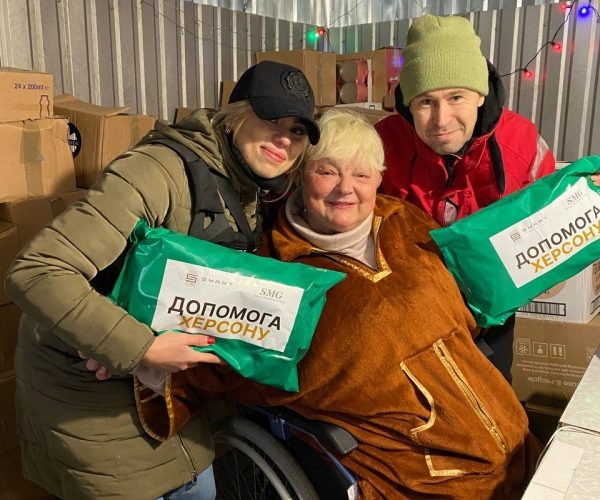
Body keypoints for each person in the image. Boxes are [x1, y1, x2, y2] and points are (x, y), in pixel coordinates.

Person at [136, 109, 541, 500]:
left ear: (378, 178)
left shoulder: (406, 221)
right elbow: (218, 357)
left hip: (506, 426)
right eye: (327, 171)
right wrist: (143, 354)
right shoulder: (273, 272)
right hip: (416, 467)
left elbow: (469, 299)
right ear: (300, 175)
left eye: (361, 174)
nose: (346, 188)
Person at [4, 60, 319, 499]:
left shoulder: (245, 186)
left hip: (166, 397)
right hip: (97, 405)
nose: (284, 138)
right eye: (270, 118)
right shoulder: (157, 171)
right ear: (235, 115)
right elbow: (38, 271)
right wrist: (142, 348)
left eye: (297, 130)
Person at [374, 14, 556, 382]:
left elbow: (554, 224)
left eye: (456, 97)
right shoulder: (382, 144)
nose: (442, 119)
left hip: (494, 314)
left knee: (491, 397)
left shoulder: (522, 142)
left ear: (479, 94)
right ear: (408, 103)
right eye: (426, 102)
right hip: (407, 311)